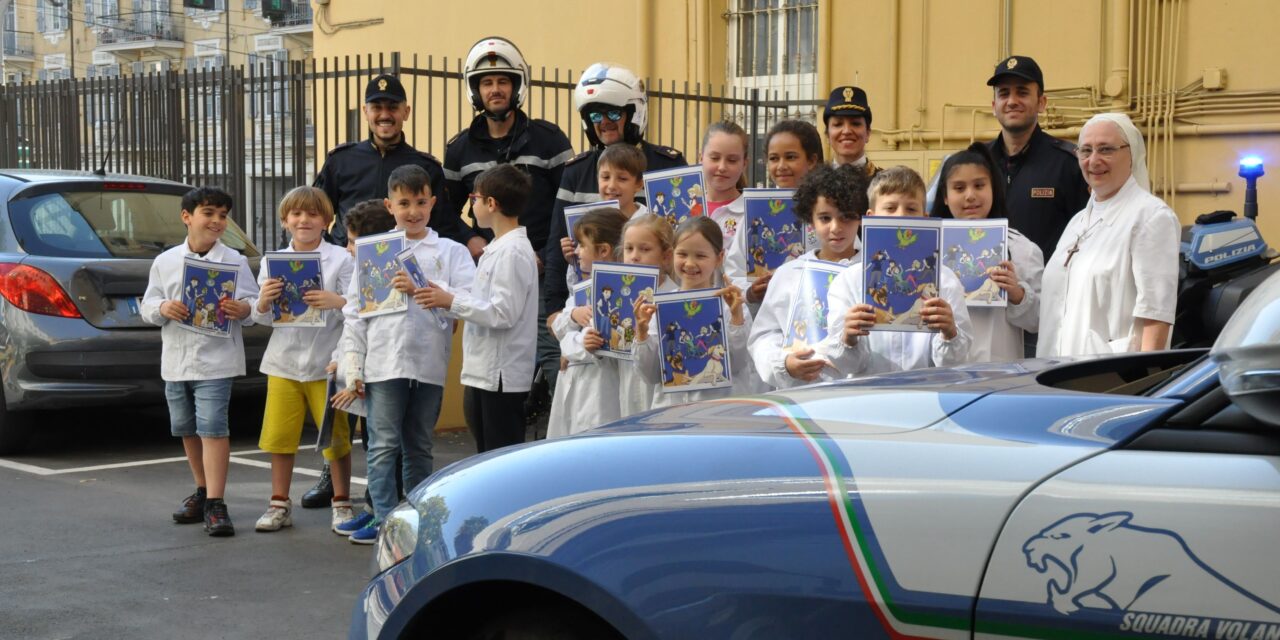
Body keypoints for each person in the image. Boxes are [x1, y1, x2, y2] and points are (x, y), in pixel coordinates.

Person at [334, 165, 476, 544]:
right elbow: (354, 312)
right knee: (382, 445)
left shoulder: (451, 251)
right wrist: (354, 365)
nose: (412, 211)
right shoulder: (374, 251)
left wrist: (425, 287)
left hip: (428, 364)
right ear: (389, 205)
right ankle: (383, 517)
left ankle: (418, 515)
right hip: (383, 364)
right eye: (403, 203)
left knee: (419, 444)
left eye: (420, 202)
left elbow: (466, 300)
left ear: (431, 203)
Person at [444, 37, 575, 422]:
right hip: (491, 269)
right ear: (475, 90)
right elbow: (448, 212)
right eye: (486, 82)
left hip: (545, 268)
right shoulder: (460, 149)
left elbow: (563, 208)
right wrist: (475, 241)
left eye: (502, 81)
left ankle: (561, 435)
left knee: (552, 355)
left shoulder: (549, 139)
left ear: (517, 86)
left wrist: (545, 256)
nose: (495, 89)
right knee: (488, 369)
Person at [141, 186, 259, 537]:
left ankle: (217, 503)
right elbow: (148, 305)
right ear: (187, 217)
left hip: (216, 361)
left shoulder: (235, 261)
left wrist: (243, 309)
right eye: (209, 213)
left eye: (223, 215)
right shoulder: (166, 262)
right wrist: (163, 308)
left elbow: (252, 305)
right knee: (187, 427)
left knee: (213, 427)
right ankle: (202, 489)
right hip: (176, 360)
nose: (218, 221)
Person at [542, 63, 686, 347]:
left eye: (612, 112)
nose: (603, 122)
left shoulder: (667, 166)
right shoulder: (576, 171)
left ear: (633, 114)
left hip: (654, 311)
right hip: (587, 313)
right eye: (595, 114)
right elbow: (557, 247)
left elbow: (681, 241)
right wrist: (557, 311)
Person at [249, 186, 356, 533]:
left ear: (326, 221)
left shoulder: (341, 258)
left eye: (312, 214)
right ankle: (279, 503)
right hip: (283, 363)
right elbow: (260, 316)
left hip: (327, 364)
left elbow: (357, 306)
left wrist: (336, 300)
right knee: (279, 437)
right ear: (284, 221)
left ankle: (342, 503)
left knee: (336, 439)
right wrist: (263, 301)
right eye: (296, 214)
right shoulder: (271, 261)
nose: (304, 220)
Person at [1038, 113, 1179, 357]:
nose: (1093, 160)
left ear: (1131, 153)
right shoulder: (1077, 222)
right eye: (1085, 151)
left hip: (1112, 377)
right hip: (1055, 372)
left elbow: (1156, 314)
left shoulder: (1151, 217)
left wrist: (1148, 383)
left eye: (1106, 149)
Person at [419, 164, 539, 453]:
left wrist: (451, 301)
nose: (471, 205)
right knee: (487, 452)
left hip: (501, 374)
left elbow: (502, 313)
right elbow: (481, 298)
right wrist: (444, 294)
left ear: (491, 203)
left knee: (500, 456)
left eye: (474, 198)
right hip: (485, 369)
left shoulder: (511, 252)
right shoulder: (498, 247)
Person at [825, 167, 973, 375]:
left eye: (911, 209)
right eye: (891, 208)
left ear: (925, 217)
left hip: (926, 398)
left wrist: (949, 332)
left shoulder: (945, 280)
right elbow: (846, 365)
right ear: (871, 216)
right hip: (868, 398)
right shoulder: (848, 281)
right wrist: (847, 338)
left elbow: (952, 363)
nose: (901, 216)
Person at [314, 73, 472, 252]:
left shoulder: (427, 168)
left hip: (405, 264)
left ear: (406, 112)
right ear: (365, 112)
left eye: (392, 108)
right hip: (348, 263)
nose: (384, 115)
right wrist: (332, 253)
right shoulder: (340, 161)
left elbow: (444, 226)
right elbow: (316, 213)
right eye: (376, 108)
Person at [749, 164, 869, 389]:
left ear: (861, 218)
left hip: (859, 394)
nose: (836, 227)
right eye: (825, 218)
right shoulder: (788, 274)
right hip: (800, 395)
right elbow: (763, 335)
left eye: (846, 217)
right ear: (810, 219)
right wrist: (784, 363)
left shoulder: (870, 273)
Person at [930, 143, 1044, 363]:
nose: (970, 196)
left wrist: (1018, 294)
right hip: (943, 372)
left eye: (979, 185)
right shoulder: (928, 247)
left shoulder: (1022, 249)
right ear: (944, 196)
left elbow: (1039, 320)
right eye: (959, 188)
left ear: (994, 189)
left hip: (1000, 373)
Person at [634, 217, 751, 407]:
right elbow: (650, 373)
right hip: (672, 411)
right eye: (682, 254)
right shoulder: (659, 306)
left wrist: (737, 318)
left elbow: (738, 363)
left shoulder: (732, 305)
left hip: (721, 411)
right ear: (672, 255)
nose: (689, 263)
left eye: (700, 256)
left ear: (719, 258)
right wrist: (642, 333)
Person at [985, 55, 1091, 263]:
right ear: (994, 105)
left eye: (1022, 92)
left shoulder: (1069, 164)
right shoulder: (977, 162)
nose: (1012, 101)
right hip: (983, 289)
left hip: (1049, 291)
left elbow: (1088, 234)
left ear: (1041, 103)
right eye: (1004, 93)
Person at [546, 208, 627, 438]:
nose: (577, 252)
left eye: (582, 245)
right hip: (574, 382)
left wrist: (579, 343)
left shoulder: (620, 294)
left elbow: (603, 342)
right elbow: (559, 331)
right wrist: (572, 315)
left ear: (603, 250)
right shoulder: (582, 290)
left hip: (602, 385)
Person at [745, 120, 826, 306]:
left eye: (790, 157)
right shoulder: (756, 209)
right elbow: (735, 267)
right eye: (774, 158)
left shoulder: (828, 207)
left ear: (812, 160)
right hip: (769, 313)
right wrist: (750, 291)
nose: (781, 166)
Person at [559, 143, 649, 290]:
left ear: (638, 184)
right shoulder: (589, 223)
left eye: (622, 178)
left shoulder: (650, 225)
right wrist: (575, 262)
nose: (612, 185)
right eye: (605, 177)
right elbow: (577, 290)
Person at [616, 213, 677, 417]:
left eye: (645, 249)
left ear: (666, 255)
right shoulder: (621, 298)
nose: (634, 256)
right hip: (627, 388)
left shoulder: (674, 298)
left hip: (662, 396)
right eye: (629, 248)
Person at [823, 86, 881, 177]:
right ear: (827, 135)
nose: (846, 131)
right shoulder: (813, 186)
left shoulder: (887, 185)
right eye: (838, 124)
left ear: (868, 133)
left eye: (855, 124)